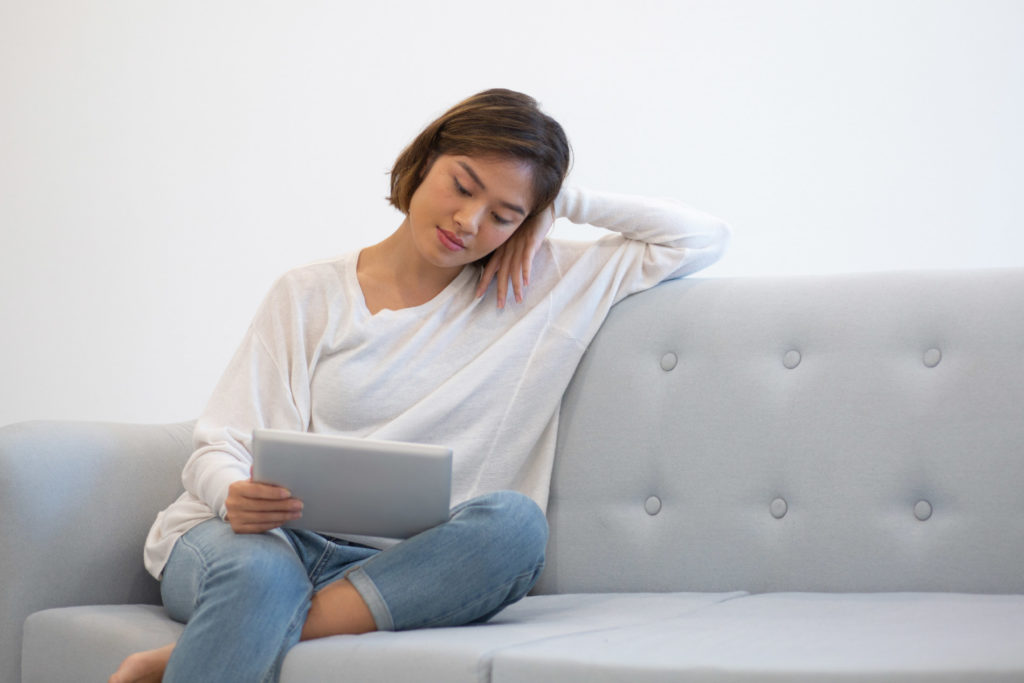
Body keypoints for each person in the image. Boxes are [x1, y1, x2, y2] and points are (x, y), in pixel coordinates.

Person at [109, 88, 730, 683]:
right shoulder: (308, 294)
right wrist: (232, 493)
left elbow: (702, 237)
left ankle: (199, 652)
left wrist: (560, 202)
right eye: (461, 186)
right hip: (254, 544)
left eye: (503, 214)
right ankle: (252, 620)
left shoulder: (550, 284)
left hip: (397, 568)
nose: (468, 221)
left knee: (516, 528)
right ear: (423, 161)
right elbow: (220, 443)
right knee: (261, 573)